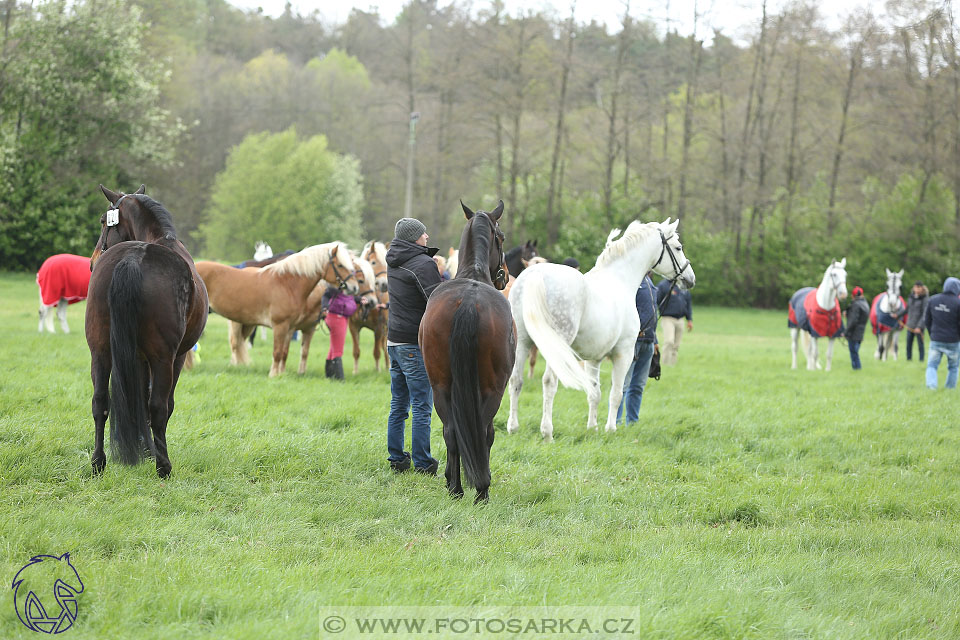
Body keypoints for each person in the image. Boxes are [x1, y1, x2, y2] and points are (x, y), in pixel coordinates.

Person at [385, 217, 443, 474]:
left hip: (393, 341)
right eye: (423, 233)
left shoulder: (393, 259)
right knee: (421, 404)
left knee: (399, 403)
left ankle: (397, 458)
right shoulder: (422, 263)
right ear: (414, 237)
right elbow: (438, 300)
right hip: (413, 343)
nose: (427, 237)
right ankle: (422, 463)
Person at [616, 272, 659, 425]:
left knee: (638, 386)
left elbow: (653, 312)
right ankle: (615, 422)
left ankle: (632, 423)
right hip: (632, 340)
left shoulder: (649, 281)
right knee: (623, 384)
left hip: (649, 340)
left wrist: (655, 339)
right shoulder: (631, 279)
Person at [923, 277, 960, 390]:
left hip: (936, 339)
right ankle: (950, 388)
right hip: (953, 341)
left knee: (932, 365)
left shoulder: (933, 300)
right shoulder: (958, 303)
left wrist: (932, 334)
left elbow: (927, 320)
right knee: (953, 367)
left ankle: (931, 386)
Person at [320, 285, 358, 380]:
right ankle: (339, 379)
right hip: (337, 317)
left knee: (333, 348)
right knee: (338, 350)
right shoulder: (335, 287)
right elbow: (326, 295)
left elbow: (348, 298)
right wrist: (324, 307)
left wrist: (360, 299)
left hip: (340, 318)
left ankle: (329, 376)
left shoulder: (345, 287)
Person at [656, 279, 693, 366]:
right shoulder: (663, 285)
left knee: (676, 345)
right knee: (669, 341)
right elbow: (656, 300)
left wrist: (689, 319)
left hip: (680, 319)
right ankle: (664, 363)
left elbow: (688, 304)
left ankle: (672, 364)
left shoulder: (683, 286)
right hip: (667, 318)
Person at [845, 286, 869, 370]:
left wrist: (846, 332)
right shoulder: (865, 303)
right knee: (855, 350)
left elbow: (853, 320)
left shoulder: (855, 304)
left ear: (853, 295)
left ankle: (857, 368)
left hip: (853, 332)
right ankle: (856, 368)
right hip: (861, 331)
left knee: (853, 351)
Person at [905, 280, 929, 362]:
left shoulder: (925, 298)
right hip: (910, 325)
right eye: (915, 287)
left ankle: (921, 360)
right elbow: (907, 309)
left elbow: (924, 314)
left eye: (919, 287)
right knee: (908, 344)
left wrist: (919, 327)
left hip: (919, 326)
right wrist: (897, 315)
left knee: (920, 344)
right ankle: (908, 359)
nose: (917, 289)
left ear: (922, 288)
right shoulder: (911, 297)